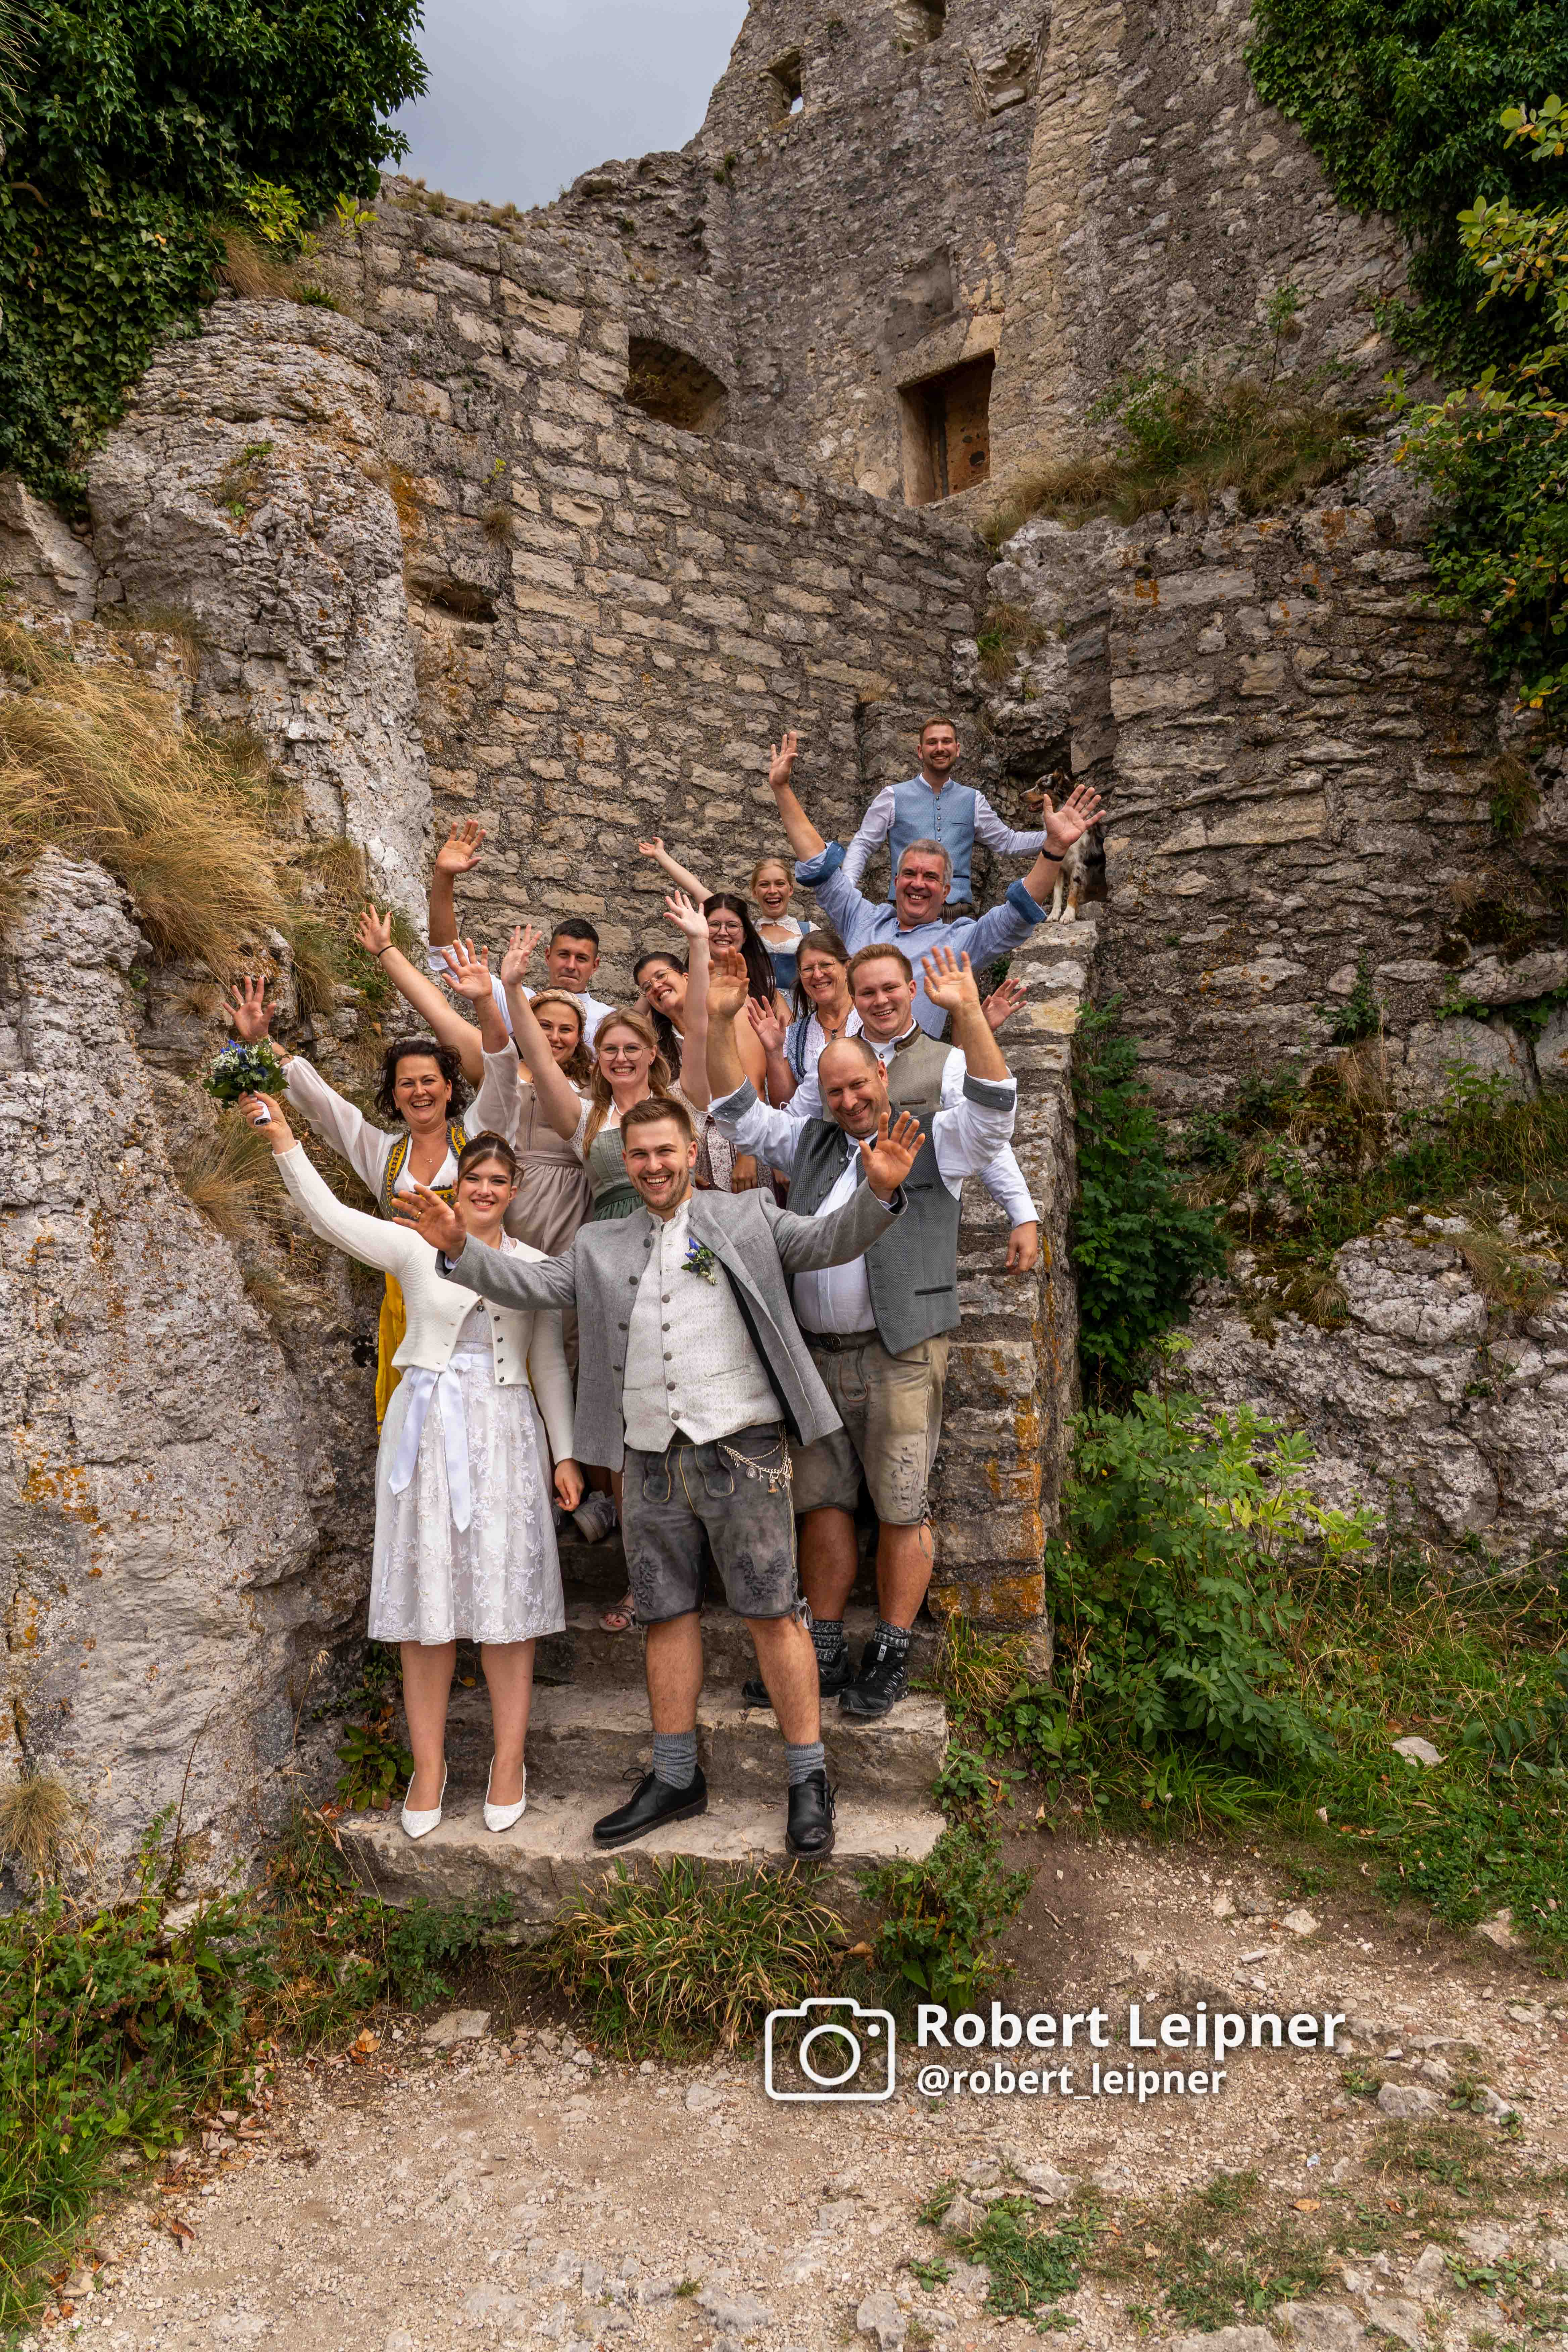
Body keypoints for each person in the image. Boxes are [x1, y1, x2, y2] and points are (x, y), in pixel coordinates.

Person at [395, 1092, 924, 1858]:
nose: (650, 1166)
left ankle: (808, 1778)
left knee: (774, 1612)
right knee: (665, 1613)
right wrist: (461, 1252)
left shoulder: (746, 1218)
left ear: (690, 1153)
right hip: (646, 1460)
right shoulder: (599, 1241)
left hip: (742, 1448)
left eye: (663, 1152)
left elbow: (825, 1241)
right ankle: (676, 1776)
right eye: (637, 1155)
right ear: (627, 1162)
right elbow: (536, 1289)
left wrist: (878, 1191)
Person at [238, 1097, 581, 1841]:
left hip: (503, 1430)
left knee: (506, 1605)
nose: (484, 1190)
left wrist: (564, 1453)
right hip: (425, 1433)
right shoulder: (409, 1247)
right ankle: (429, 1767)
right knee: (426, 1607)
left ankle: (508, 1761)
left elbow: (549, 1362)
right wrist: (287, 1143)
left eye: (498, 1180)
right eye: (473, 1179)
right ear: (456, 1188)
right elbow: (328, 1216)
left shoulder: (538, 1268)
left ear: (514, 1190)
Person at [706, 944, 1017, 1720]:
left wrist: (971, 1014)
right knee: (823, 1506)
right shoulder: (805, 1141)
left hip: (901, 1349)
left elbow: (993, 1118)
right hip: (815, 1357)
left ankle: (889, 1649)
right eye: (834, 1088)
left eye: (858, 1085)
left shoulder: (929, 1137)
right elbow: (736, 1109)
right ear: (823, 1090)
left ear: (882, 1078)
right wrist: (715, 1023)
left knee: (903, 1504)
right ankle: (821, 1650)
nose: (848, 1099)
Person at [227, 944, 519, 1426]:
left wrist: (487, 1002)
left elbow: (504, 1077)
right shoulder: (383, 1153)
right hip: (409, 1299)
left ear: (450, 1088)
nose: (419, 1091)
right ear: (395, 1096)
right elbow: (323, 1106)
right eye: (407, 1084)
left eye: (430, 1081)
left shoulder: (480, 1133)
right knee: (417, 1428)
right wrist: (262, 1043)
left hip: (479, 1290)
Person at [764, 729, 1104, 1038]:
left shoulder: (957, 943)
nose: (917, 884)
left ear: (944, 890)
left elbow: (1015, 909)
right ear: (896, 881)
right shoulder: (862, 919)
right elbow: (823, 865)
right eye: (910, 874)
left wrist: (1053, 848)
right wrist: (782, 789)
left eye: (930, 877)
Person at [752, 941, 1041, 1276]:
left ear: (912, 989)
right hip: (837, 1243)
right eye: (867, 993)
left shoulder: (948, 1063)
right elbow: (791, 1130)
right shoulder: (830, 1062)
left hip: (911, 1244)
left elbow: (986, 1141)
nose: (880, 1001)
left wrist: (1022, 1214)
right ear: (854, 998)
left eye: (890, 988)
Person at [354, 908, 593, 1258]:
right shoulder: (495, 1068)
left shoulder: (594, 1084)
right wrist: (386, 951)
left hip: (567, 1204)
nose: (554, 1038)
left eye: (566, 1030)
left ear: (579, 1037)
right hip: (495, 1195)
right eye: (543, 1026)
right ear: (525, 1027)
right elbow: (437, 1011)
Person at [427, 818, 613, 1045]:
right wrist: (444, 877)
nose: (571, 966)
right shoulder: (518, 1001)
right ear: (548, 956)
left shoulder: (609, 1021)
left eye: (582, 959)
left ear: (596, 966)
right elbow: (447, 956)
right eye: (564, 955)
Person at [842, 717, 1050, 908]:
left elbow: (1008, 843)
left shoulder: (973, 800)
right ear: (920, 751)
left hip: (958, 916)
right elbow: (863, 843)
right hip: (906, 912)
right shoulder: (892, 796)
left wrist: (1056, 836)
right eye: (932, 743)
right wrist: (847, 889)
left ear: (957, 749)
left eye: (946, 742)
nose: (940, 748)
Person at [640, 837, 805, 994]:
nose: (772, 891)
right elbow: (695, 888)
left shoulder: (808, 930)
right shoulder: (739, 927)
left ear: (791, 890)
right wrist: (661, 856)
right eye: (764, 885)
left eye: (780, 884)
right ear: (755, 892)